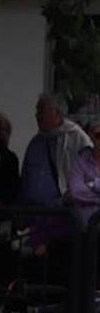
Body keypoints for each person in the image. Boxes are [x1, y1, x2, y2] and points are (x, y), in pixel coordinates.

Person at [20, 93, 93, 254]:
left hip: (63, 215)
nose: (36, 115)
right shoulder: (36, 142)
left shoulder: (78, 139)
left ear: (56, 113)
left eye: (41, 111)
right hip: (34, 214)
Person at [66, 121, 100, 230]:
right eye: (98, 135)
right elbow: (75, 192)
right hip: (86, 230)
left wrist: (92, 183)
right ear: (90, 137)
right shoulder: (80, 160)